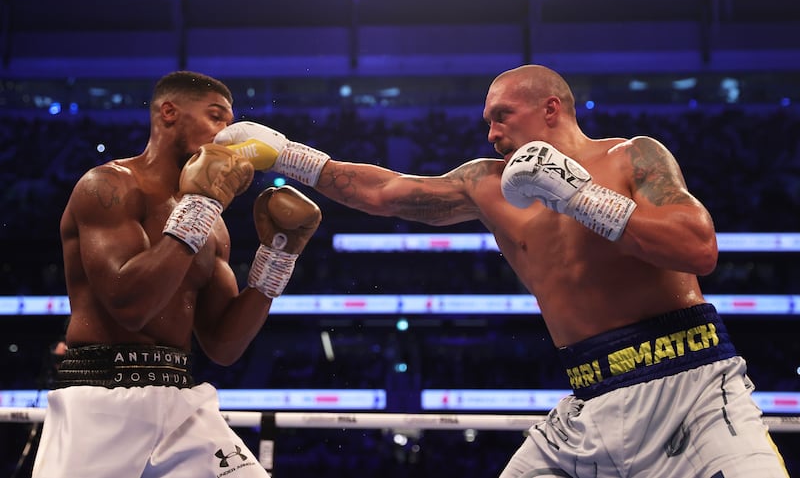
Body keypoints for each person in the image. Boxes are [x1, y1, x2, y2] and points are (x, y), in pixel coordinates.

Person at [212, 64, 789, 477]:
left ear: (551, 108)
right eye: (487, 121)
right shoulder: (486, 183)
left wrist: (582, 197)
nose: (491, 133)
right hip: (591, 400)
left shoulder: (633, 156)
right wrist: (289, 155)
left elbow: (699, 249)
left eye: (502, 117)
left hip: (691, 383)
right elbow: (388, 191)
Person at [32, 70, 322, 478]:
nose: (227, 133)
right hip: (101, 397)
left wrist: (278, 258)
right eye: (215, 117)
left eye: (229, 122)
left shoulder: (214, 224)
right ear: (169, 112)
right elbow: (131, 307)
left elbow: (223, 345)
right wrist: (200, 206)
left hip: (182, 399)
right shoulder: (108, 187)